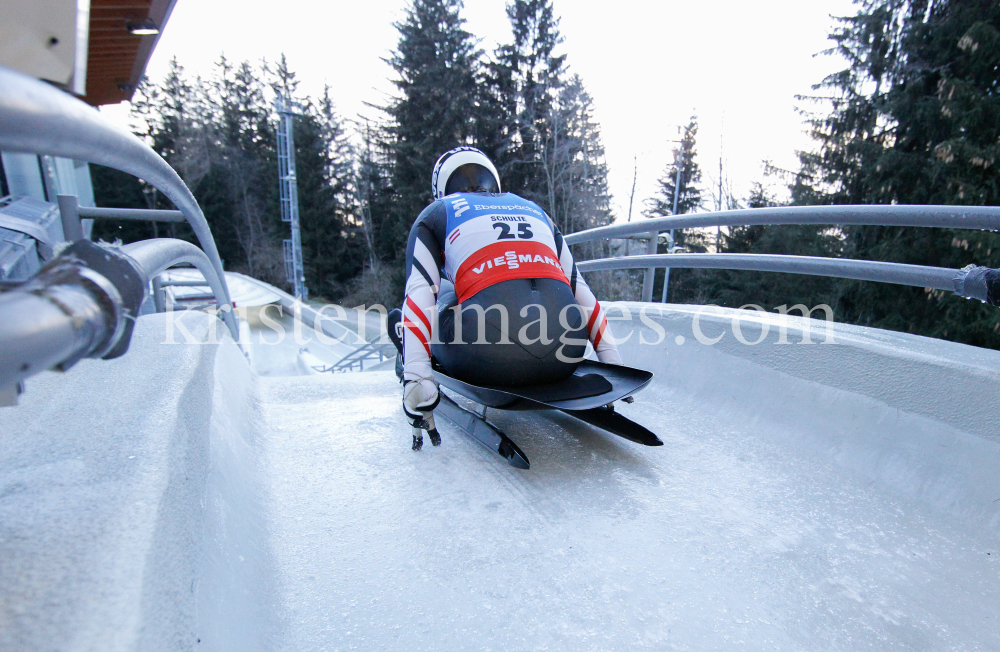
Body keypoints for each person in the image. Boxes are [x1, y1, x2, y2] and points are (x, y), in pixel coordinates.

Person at [393, 146, 622, 449]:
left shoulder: (437, 213)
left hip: (487, 354)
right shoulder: (535, 210)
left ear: (442, 189)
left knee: (444, 290)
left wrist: (416, 377)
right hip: (568, 349)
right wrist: (613, 363)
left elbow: (420, 293)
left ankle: (416, 353)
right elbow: (581, 291)